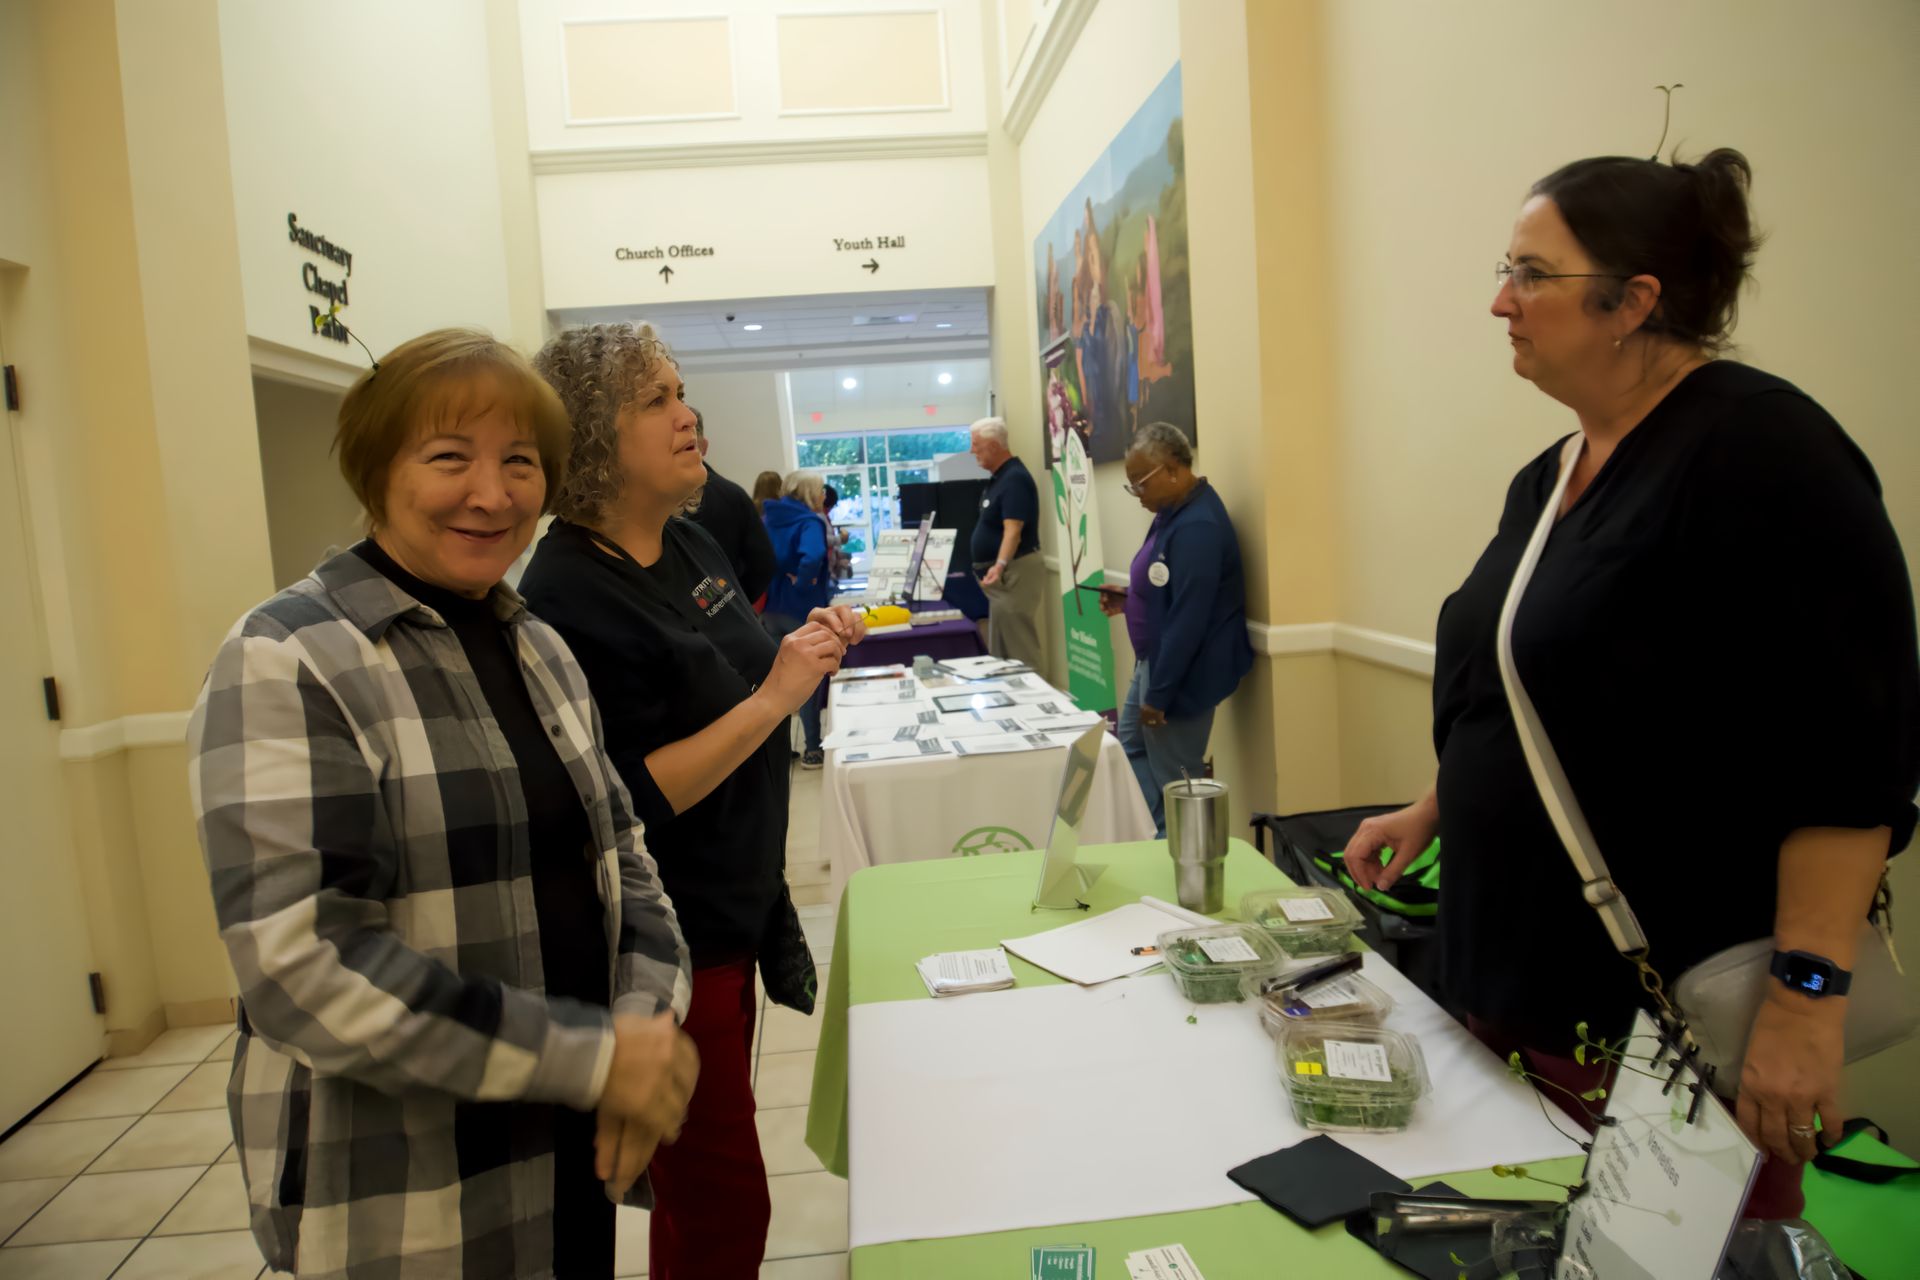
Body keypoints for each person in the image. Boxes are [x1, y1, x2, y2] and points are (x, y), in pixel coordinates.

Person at [1342, 150, 1920, 1218]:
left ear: (1635, 300)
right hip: (1505, 982)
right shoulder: (1552, 473)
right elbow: (1533, 687)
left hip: (1662, 1016)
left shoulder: (1763, 448)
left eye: (1530, 273)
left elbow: (1850, 754)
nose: (1498, 302)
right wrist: (1436, 806)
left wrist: (1804, 1002)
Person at [187, 328, 700, 1279]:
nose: (492, 494)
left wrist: (643, 1022)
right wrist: (589, 1056)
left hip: (568, 1165)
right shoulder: (287, 658)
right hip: (407, 1196)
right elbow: (303, 965)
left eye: (519, 462)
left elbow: (623, 855)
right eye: (449, 459)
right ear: (378, 472)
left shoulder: (538, 646)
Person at [517, 323, 863, 1278]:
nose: (688, 414)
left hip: (734, 907)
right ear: (594, 436)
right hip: (670, 941)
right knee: (724, 1204)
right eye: (659, 400)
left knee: (699, 1192)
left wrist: (804, 644)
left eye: (682, 391)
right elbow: (627, 794)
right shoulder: (568, 594)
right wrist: (775, 700)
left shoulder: (690, 539)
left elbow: (738, 666)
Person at [1098, 423, 1253, 835]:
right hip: (1154, 662)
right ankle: (1161, 832)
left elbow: (1190, 617)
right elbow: (1165, 582)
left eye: (1140, 484)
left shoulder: (1197, 526)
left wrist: (1161, 694)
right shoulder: (1172, 512)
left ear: (1171, 470)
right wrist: (1131, 599)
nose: (1137, 496)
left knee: (1176, 779)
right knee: (1129, 745)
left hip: (1182, 674)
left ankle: (1180, 850)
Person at [762, 470, 837, 768]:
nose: (823, 497)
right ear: (808, 492)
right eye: (819, 491)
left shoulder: (767, 519)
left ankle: (777, 751)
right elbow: (813, 554)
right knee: (808, 681)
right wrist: (803, 582)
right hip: (803, 609)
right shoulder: (809, 522)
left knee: (775, 682)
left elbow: (757, 556)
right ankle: (812, 748)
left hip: (771, 607)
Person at [969, 416, 1046, 671]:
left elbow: (1013, 531)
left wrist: (999, 566)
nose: (972, 451)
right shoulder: (999, 477)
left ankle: (1038, 705)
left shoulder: (1014, 478)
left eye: (976, 445)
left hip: (1014, 574)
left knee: (1020, 651)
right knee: (1003, 654)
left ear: (993, 445)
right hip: (1001, 579)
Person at [685, 408, 776, 603]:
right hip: (723, 610)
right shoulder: (732, 495)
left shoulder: (649, 499)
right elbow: (763, 563)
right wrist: (733, 602)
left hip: (689, 615)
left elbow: (763, 562)